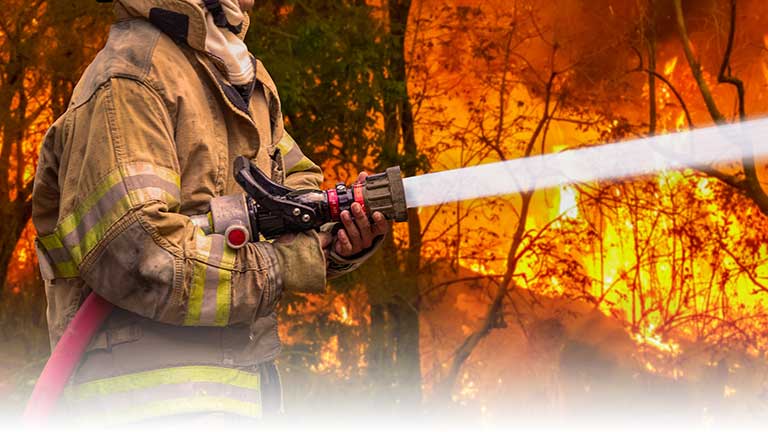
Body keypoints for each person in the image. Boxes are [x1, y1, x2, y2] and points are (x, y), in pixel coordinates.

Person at [31, 0, 388, 425]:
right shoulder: (129, 79)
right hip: (144, 403)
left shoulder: (242, 78)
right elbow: (143, 256)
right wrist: (285, 263)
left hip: (242, 391)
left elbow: (298, 187)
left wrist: (336, 235)